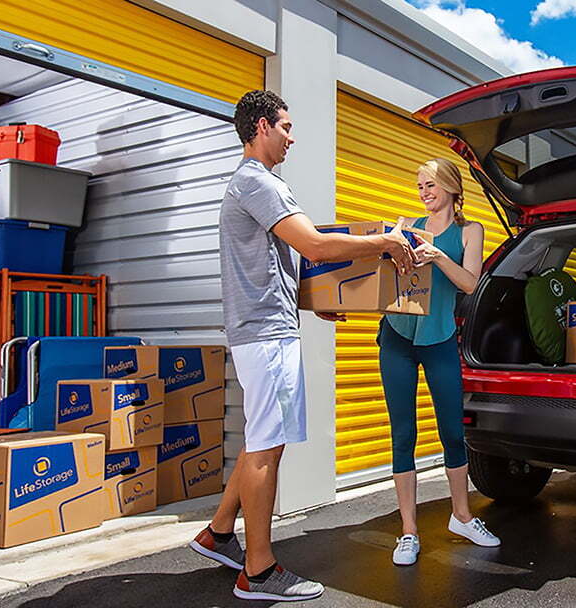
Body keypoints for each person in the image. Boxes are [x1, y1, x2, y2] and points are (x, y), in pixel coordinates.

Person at [188, 90, 415, 602]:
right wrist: (385, 241)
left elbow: (271, 265)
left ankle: (219, 533)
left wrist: (311, 303)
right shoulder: (257, 182)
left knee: (259, 437)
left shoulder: (252, 184)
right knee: (267, 448)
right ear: (262, 126)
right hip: (266, 334)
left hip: (264, 327)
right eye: (286, 127)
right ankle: (259, 572)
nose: (292, 137)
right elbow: (313, 244)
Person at [379, 157, 497, 567]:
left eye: (430, 185)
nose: (423, 193)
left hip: (440, 338)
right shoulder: (406, 226)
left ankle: (461, 516)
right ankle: (409, 531)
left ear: (450, 187)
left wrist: (438, 257)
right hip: (397, 336)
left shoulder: (469, 231)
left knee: (451, 430)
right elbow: (382, 273)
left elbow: (470, 284)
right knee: (403, 434)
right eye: (419, 186)